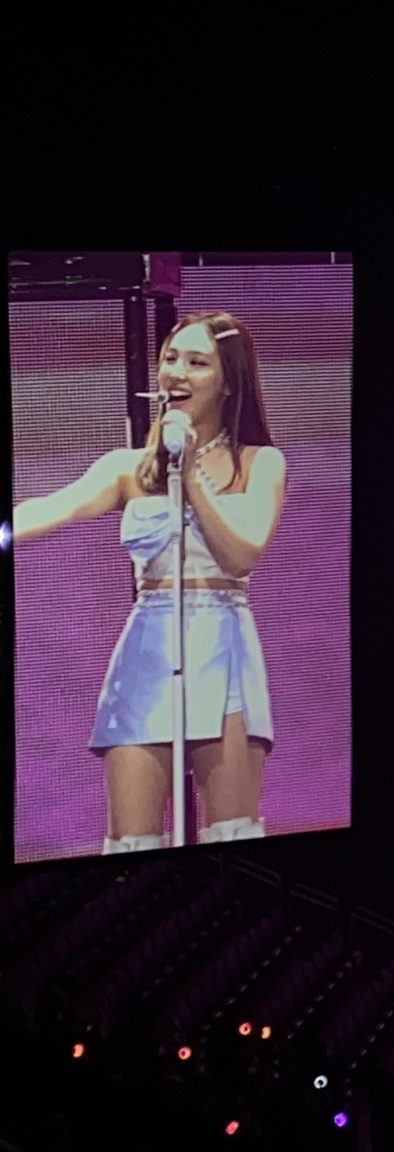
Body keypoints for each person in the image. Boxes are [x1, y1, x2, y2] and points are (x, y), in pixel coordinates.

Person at [10, 312, 285, 853]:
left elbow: (242, 554)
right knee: (131, 839)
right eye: (170, 359)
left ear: (228, 382)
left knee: (231, 834)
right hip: (147, 645)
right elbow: (48, 509)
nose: (176, 373)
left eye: (197, 362)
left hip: (221, 643)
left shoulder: (261, 463)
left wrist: (190, 471)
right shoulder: (127, 468)